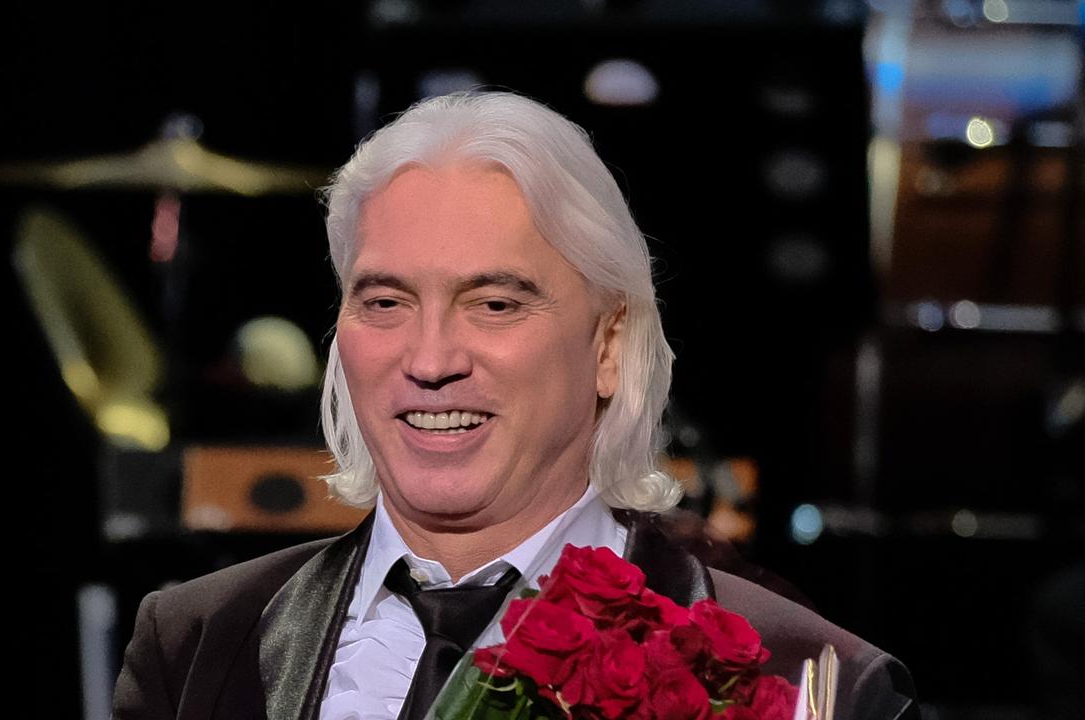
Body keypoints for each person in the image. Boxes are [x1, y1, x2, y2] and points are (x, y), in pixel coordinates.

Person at [113, 91, 919, 720]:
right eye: (386, 303)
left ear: (608, 345)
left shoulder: (809, 683)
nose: (430, 361)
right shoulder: (193, 641)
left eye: (494, 305)